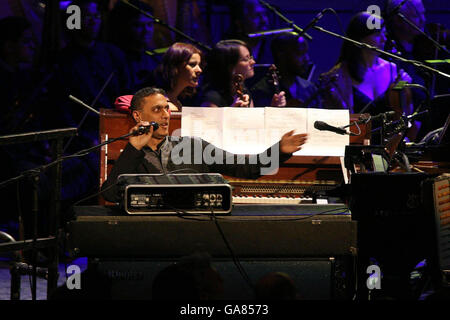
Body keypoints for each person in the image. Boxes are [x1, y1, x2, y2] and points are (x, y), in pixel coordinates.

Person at [101, 87, 307, 203]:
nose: (165, 115)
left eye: (167, 108)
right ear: (138, 116)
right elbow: (109, 195)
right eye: (157, 110)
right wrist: (134, 148)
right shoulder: (132, 155)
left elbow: (247, 168)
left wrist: (278, 151)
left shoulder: (193, 147)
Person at [320, 12, 419, 141]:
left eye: (385, 34)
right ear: (360, 38)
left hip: (389, 144)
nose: (384, 39)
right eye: (378, 34)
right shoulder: (337, 76)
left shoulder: (393, 70)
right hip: (355, 143)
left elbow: (404, 113)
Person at [200, 39, 285, 108]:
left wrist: (273, 108)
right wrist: (233, 111)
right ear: (230, 67)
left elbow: (252, 124)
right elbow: (212, 127)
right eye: (246, 59)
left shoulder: (244, 91)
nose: (253, 62)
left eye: (251, 57)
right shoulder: (211, 98)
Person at [251, 32, 320, 108]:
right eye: (300, 53)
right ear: (281, 55)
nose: (307, 59)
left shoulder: (310, 89)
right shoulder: (261, 91)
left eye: (306, 53)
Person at [108, 0, 159, 93]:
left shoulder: (154, 58)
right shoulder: (114, 58)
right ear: (124, 26)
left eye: (149, 24)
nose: (146, 30)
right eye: (139, 25)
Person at [154, 42, 203, 111]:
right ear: (175, 66)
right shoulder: (159, 104)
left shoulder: (177, 102)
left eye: (199, 65)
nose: (199, 70)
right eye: (192, 64)